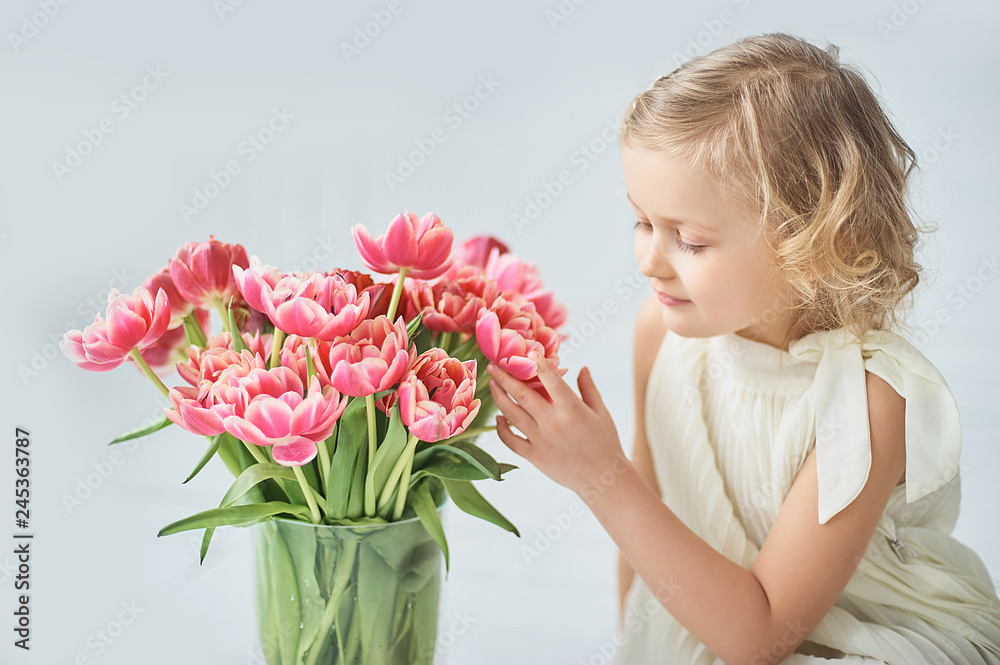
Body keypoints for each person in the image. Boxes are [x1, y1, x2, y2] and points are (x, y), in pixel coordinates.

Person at [484, 32, 1000, 665]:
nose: (649, 260)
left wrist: (598, 475)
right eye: (643, 222)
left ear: (815, 247)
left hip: (861, 639)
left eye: (690, 241)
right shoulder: (660, 333)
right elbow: (650, 514)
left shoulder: (867, 401)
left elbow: (763, 636)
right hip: (712, 622)